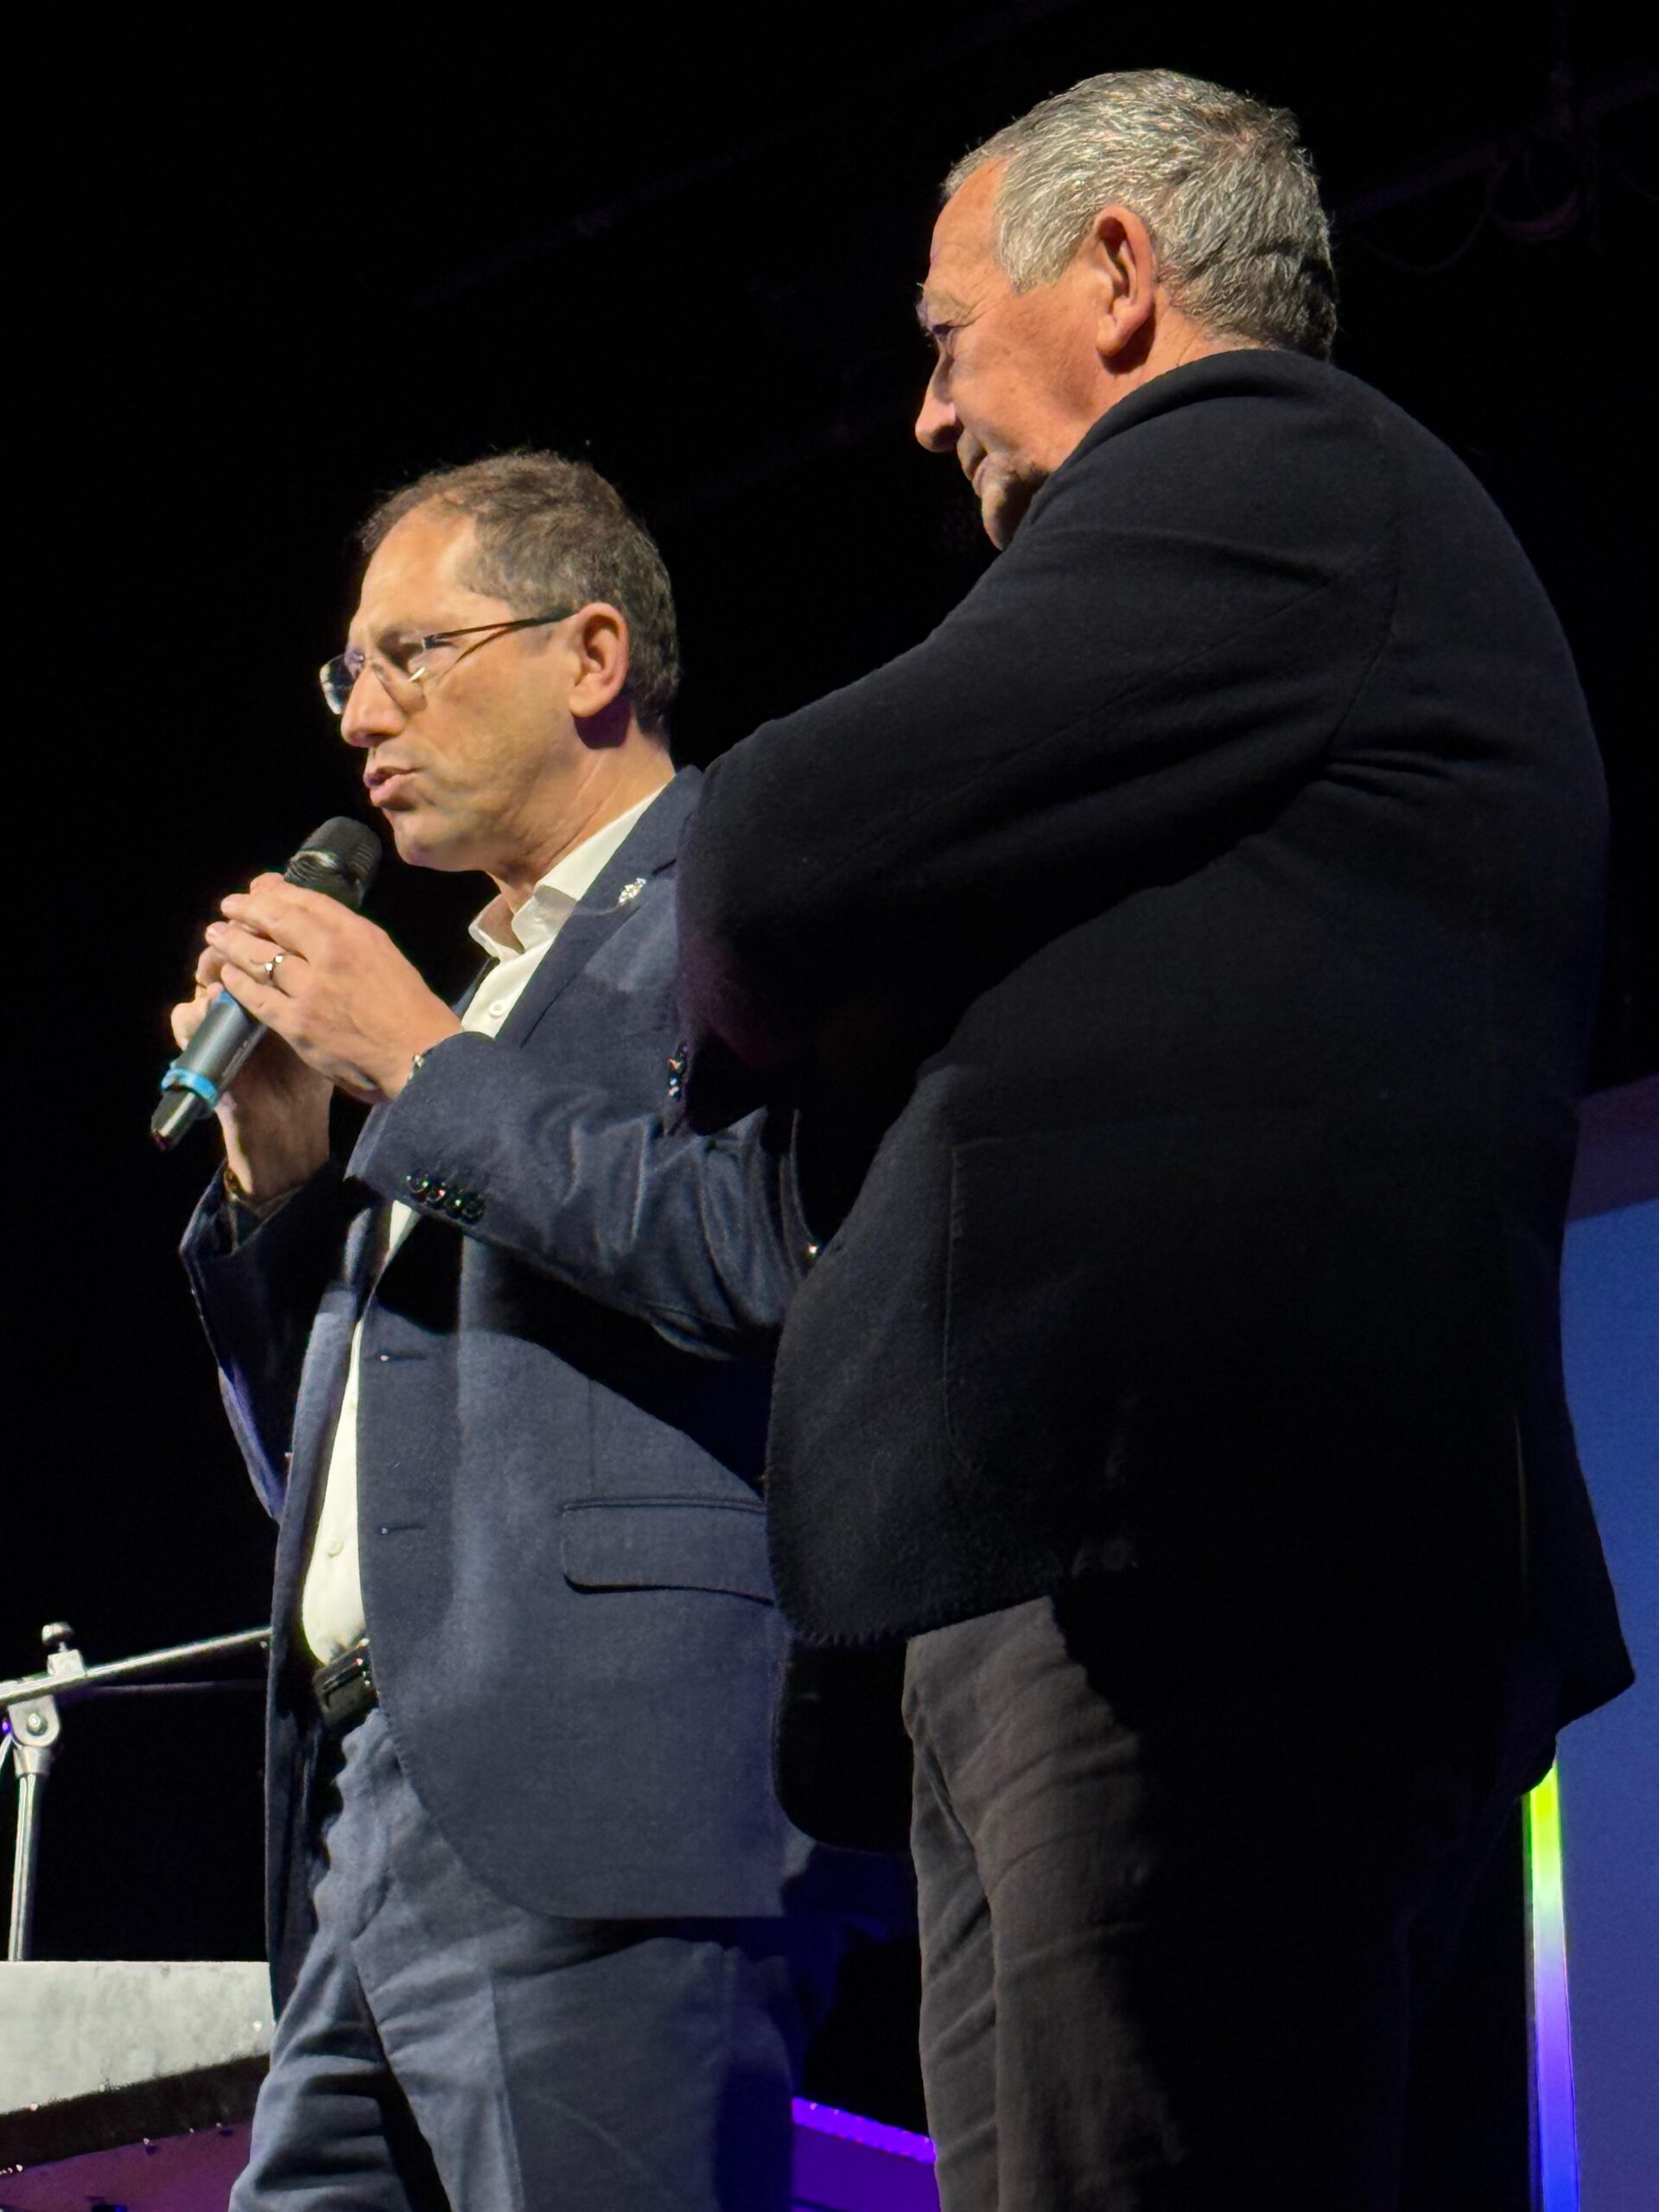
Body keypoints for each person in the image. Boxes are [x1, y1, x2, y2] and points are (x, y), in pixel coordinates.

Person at [673, 68, 1632, 2210]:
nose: (927, 413)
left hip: (1193, 1571)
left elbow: (770, 853)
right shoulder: (1267, 579)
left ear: (1119, 272)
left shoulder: (1260, 459)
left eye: (946, 339)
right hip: (1131, 1571)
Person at [173, 453, 872, 2211]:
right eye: (349, 673)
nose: (364, 717)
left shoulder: (735, 894)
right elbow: (345, 1478)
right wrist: (283, 1179)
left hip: (606, 1802)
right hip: (371, 1817)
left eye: (412, 654)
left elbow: (764, 1246)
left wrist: (418, 1063)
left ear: (590, 655)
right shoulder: (471, 1001)